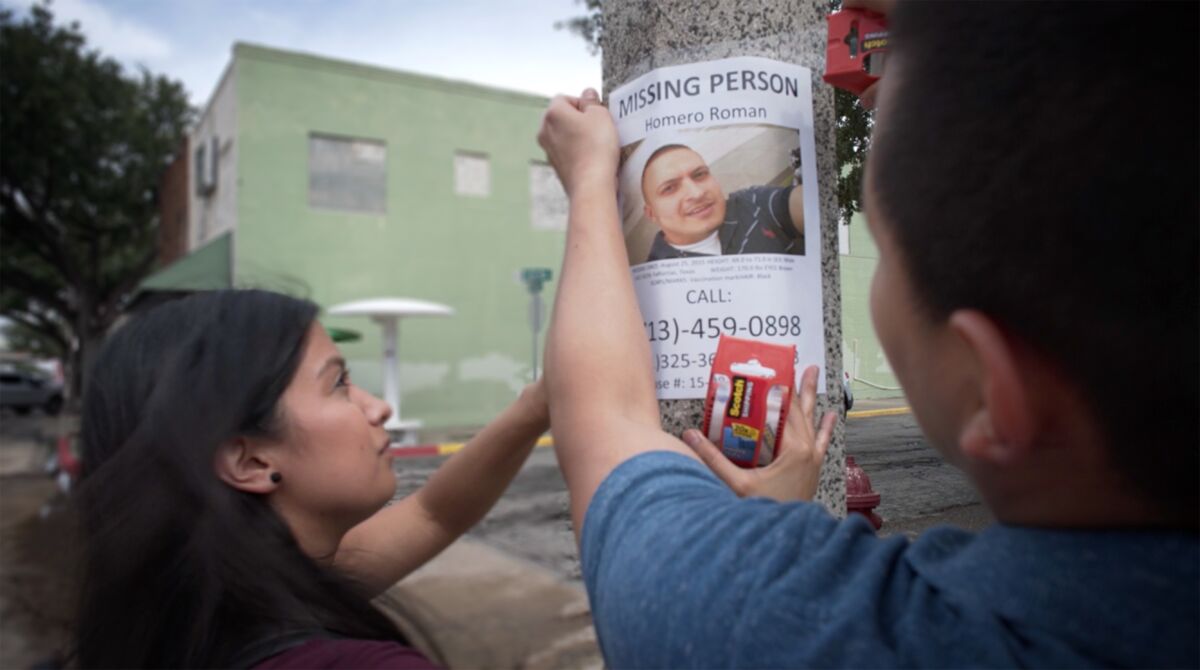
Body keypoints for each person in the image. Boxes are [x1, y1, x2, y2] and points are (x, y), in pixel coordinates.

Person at [536, 0, 1197, 667]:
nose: (692, 192)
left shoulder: (804, 628)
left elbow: (605, 425)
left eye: (882, 247)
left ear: (993, 392)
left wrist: (591, 179)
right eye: (669, 186)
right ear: (649, 209)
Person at [73, 289, 548, 668]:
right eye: (338, 384)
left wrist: (534, 409)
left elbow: (434, 513)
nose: (378, 408)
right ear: (251, 463)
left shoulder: (188, 613)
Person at [640, 142, 804, 262]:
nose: (697, 193)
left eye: (699, 175)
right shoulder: (653, 275)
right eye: (669, 188)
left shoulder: (752, 204)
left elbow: (807, 207)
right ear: (651, 214)